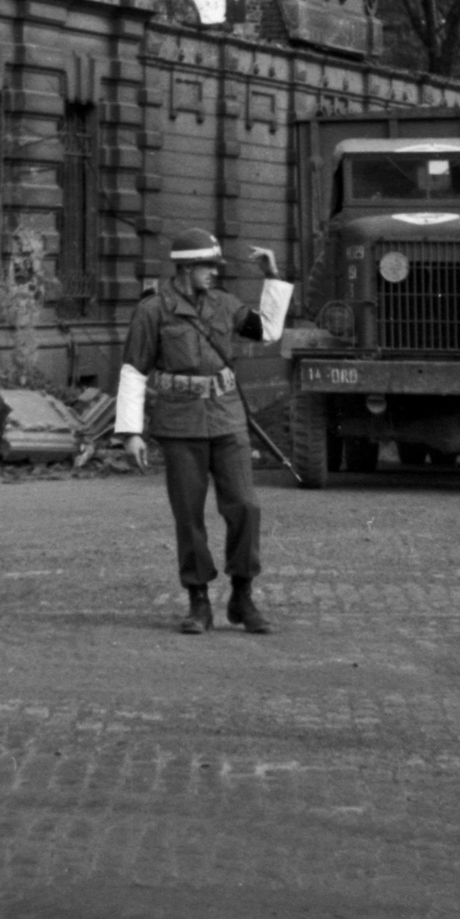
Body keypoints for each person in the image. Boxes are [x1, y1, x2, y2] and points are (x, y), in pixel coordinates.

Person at [116, 228, 292, 636]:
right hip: (179, 423)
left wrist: (273, 275)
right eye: (205, 266)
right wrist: (131, 432)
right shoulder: (153, 311)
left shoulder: (225, 304)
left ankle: (242, 595)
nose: (213, 272)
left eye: (215, 265)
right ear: (184, 268)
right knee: (188, 514)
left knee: (245, 506)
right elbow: (133, 371)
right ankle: (198, 601)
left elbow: (267, 330)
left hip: (227, 416)